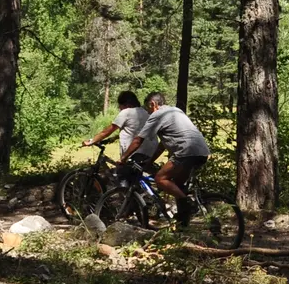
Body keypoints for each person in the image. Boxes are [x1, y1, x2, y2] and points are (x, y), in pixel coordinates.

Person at [120, 92, 210, 224]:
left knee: (160, 179)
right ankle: (183, 223)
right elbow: (163, 145)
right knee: (177, 185)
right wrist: (150, 161)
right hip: (202, 151)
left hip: (186, 151)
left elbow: (138, 140)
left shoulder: (157, 114)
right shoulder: (175, 110)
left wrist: (123, 158)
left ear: (153, 104)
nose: (149, 112)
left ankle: (189, 206)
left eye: (148, 108)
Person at [82, 91, 157, 174]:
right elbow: (137, 130)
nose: (119, 109)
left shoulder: (126, 112)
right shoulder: (146, 112)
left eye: (120, 106)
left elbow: (107, 131)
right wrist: (115, 137)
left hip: (134, 154)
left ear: (127, 105)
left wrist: (91, 141)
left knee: (122, 179)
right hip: (151, 154)